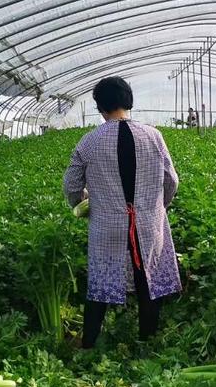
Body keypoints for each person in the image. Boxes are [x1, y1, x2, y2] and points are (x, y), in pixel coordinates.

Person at [63, 76, 181, 348]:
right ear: (129, 101)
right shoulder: (153, 136)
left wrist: (82, 204)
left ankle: (90, 343)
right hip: (148, 222)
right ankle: (146, 342)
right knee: (147, 278)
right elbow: (171, 180)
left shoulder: (90, 142)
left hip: (107, 224)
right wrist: (156, 207)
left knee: (102, 279)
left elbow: (71, 184)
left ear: (99, 106)